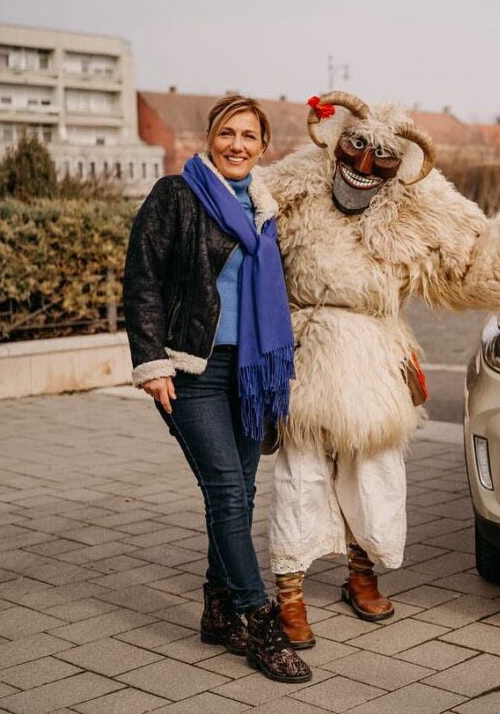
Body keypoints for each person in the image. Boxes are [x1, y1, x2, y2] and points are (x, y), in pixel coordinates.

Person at [258, 91, 500, 644]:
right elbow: (241, 213)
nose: (364, 165)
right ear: (337, 142)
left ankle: (362, 574)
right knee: (299, 474)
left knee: (374, 471)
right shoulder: (296, 182)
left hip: (374, 355)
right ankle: (289, 593)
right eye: (356, 148)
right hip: (302, 350)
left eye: (381, 157)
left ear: (400, 164)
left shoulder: (417, 204)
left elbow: (472, 266)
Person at [123, 95, 312, 684]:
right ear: (210, 138)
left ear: (263, 146)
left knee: (240, 493)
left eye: (249, 136)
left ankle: (218, 608)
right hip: (192, 368)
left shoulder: (263, 207)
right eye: (228, 133)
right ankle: (259, 620)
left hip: (249, 372)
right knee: (228, 491)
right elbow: (142, 278)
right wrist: (151, 362)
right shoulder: (177, 196)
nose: (237, 145)